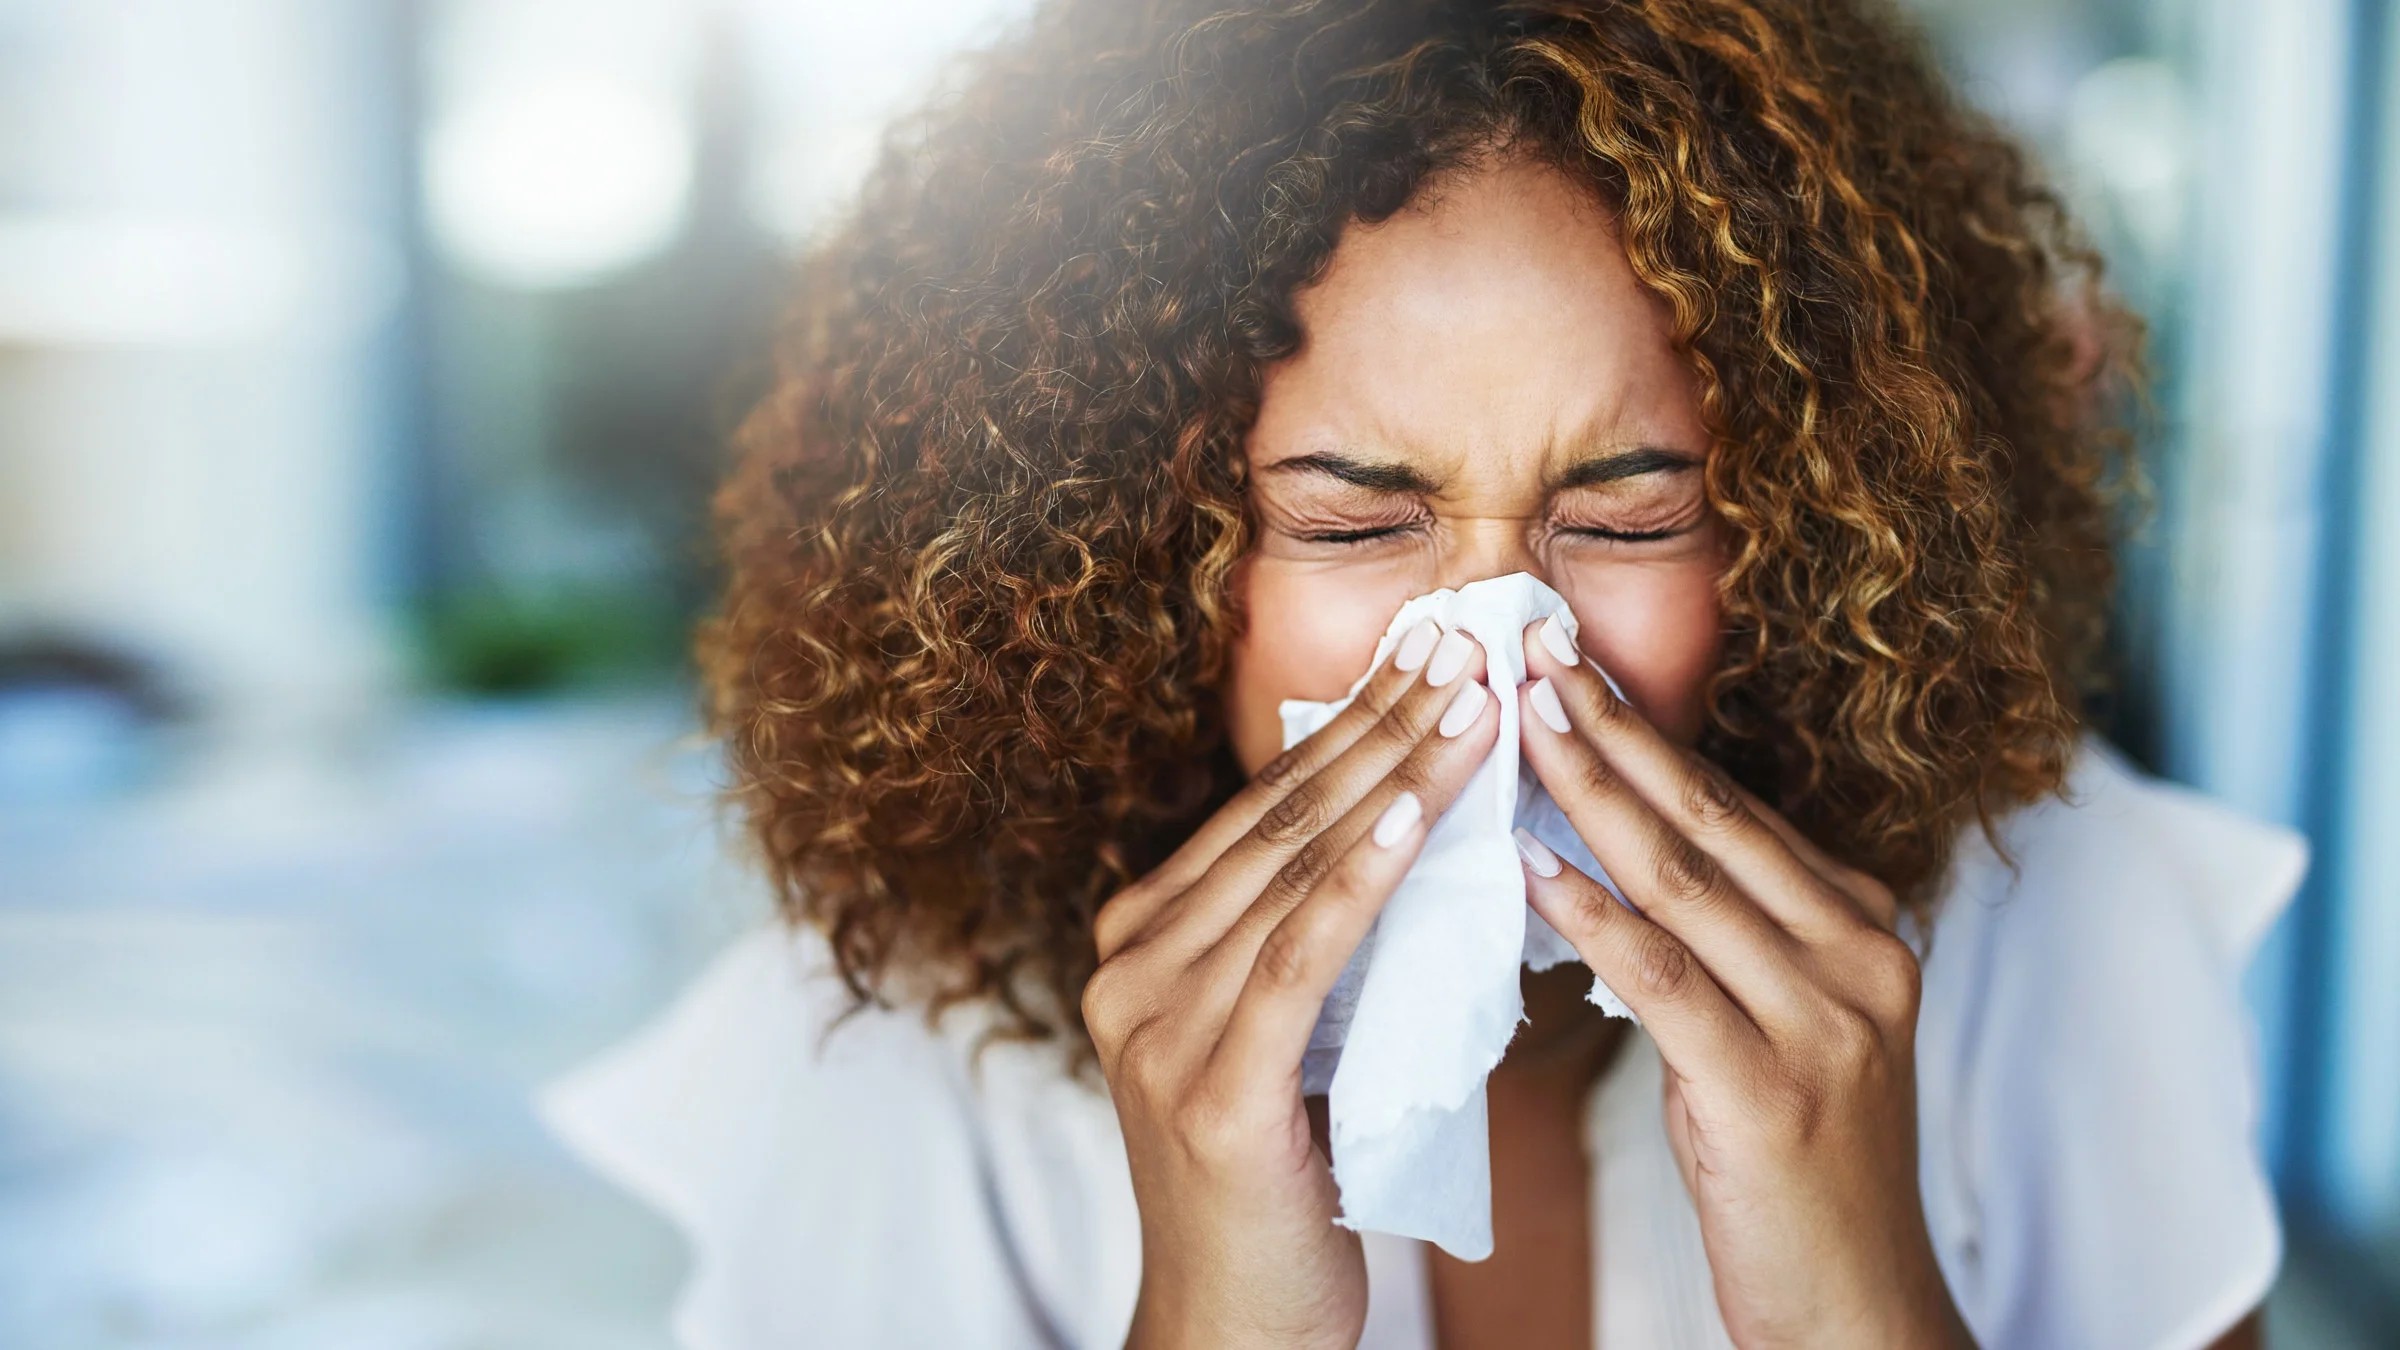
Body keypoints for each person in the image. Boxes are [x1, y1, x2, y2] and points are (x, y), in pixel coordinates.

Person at [544, 2, 2304, 1346]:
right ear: (1131, 563)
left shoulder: (2062, 931)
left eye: (1624, 519)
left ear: (1800, 542)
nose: (1494, 651)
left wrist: (1863, 1304)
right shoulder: (896, 1052)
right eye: (1351, 524)